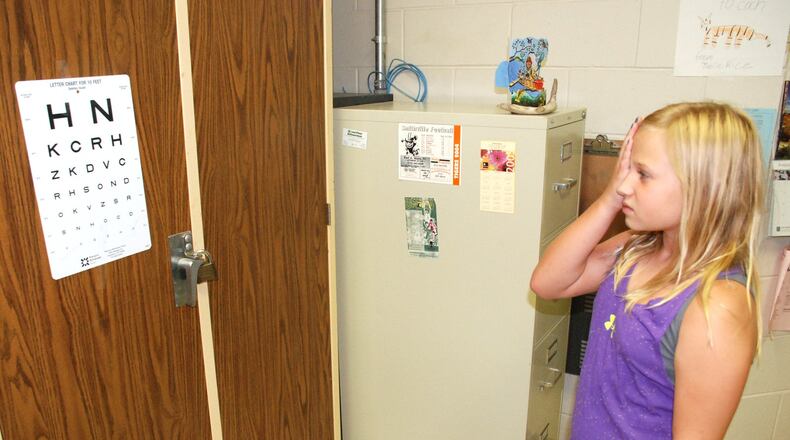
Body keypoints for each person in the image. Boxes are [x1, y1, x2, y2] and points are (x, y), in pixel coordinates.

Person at [530, 102, 764, 439]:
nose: (625, 185)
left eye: (643, 174)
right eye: (628, 169)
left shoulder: (716, 306)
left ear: (702, 187)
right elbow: (547, 282)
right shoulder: (637, 247)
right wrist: (610, 198)